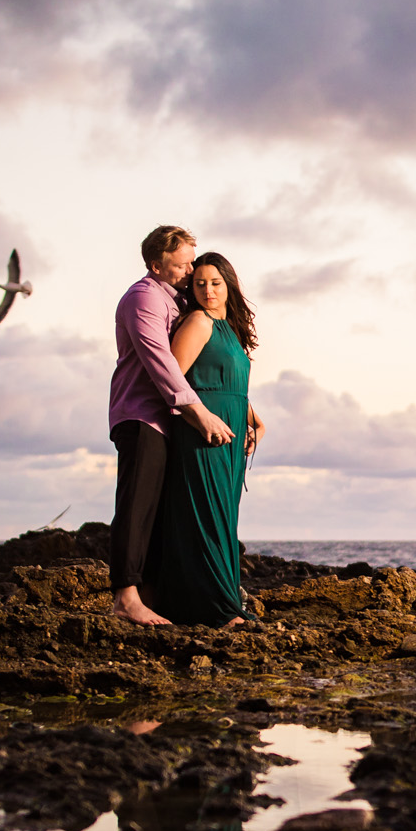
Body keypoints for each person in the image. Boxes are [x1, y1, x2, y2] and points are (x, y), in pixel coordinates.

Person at [107, 225, 235, 625]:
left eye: (191, 261)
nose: (190, 270)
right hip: (142, 414)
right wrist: (198, 412)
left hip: (168, 420)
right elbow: (160, 362)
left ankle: (152, 596)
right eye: (181, 264)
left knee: (163, 513)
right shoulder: (144, 297)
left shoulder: (176, 299)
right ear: (155, 265)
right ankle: (125, 598)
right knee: (137, 506)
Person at [143, 252, 265, 628]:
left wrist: (254, 420)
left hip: (228, 432)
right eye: (199, 283)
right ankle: (219, 609)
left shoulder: (227, 326)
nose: (208, 290)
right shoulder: (197, 322)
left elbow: (231, 386)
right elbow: (173, 381)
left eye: (215, 282)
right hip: (201, 432)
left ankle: (214, 602)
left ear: (229, 284)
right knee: (206, 517)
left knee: (223, 518)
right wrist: (201, 420)